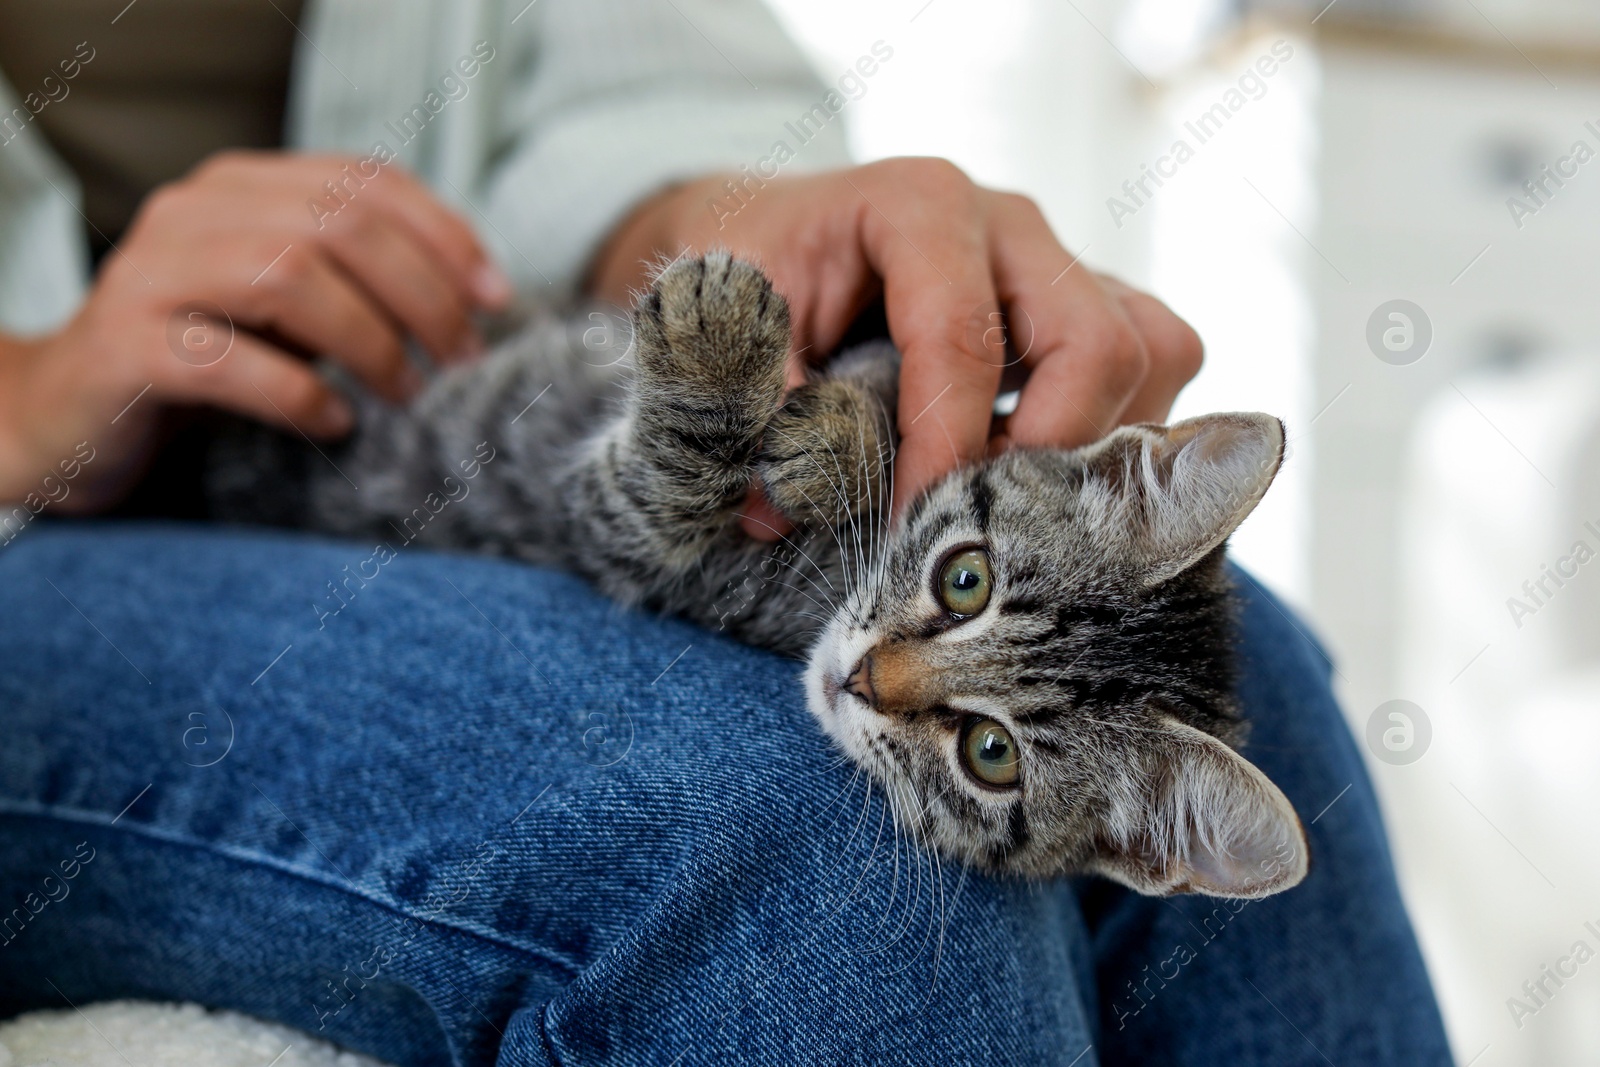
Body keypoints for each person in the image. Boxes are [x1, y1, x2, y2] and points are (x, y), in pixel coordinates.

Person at [0, 1, 1453, 1064]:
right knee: (795, 847)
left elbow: (640, 84)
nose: (892, 680)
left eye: (980, 737)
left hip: (458, 387)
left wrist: (745, 223)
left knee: (1274, 704)